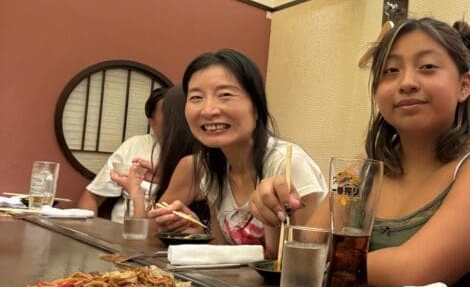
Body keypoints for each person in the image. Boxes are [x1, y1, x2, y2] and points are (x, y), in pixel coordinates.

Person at [251, 17, 470, 287]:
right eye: (391, 71)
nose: (407, 83)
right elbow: (301, 253)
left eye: (427, 67)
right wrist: (274, 211)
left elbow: (414, 271)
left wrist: (316, 257)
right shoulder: (358, 171)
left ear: (464, 86)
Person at [149, 49, 327, 250]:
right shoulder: (214, 171)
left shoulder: (287, 163)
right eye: (196, 97)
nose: (208, 110)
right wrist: (198, 232)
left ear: (257, 108)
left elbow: (302, 258)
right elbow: (226, 251)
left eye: (225, 95)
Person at [110, 84, 207, 223]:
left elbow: (148, 232)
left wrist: (135, 191)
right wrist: (164, 175)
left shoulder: (192, 165)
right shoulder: (205, 159)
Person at [77, 86, 167, 222]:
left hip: (160, 233)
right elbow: (91, 196)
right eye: (167, 113)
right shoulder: (135, 145)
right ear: (151, 122)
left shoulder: (197, 153)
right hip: (121, 231)